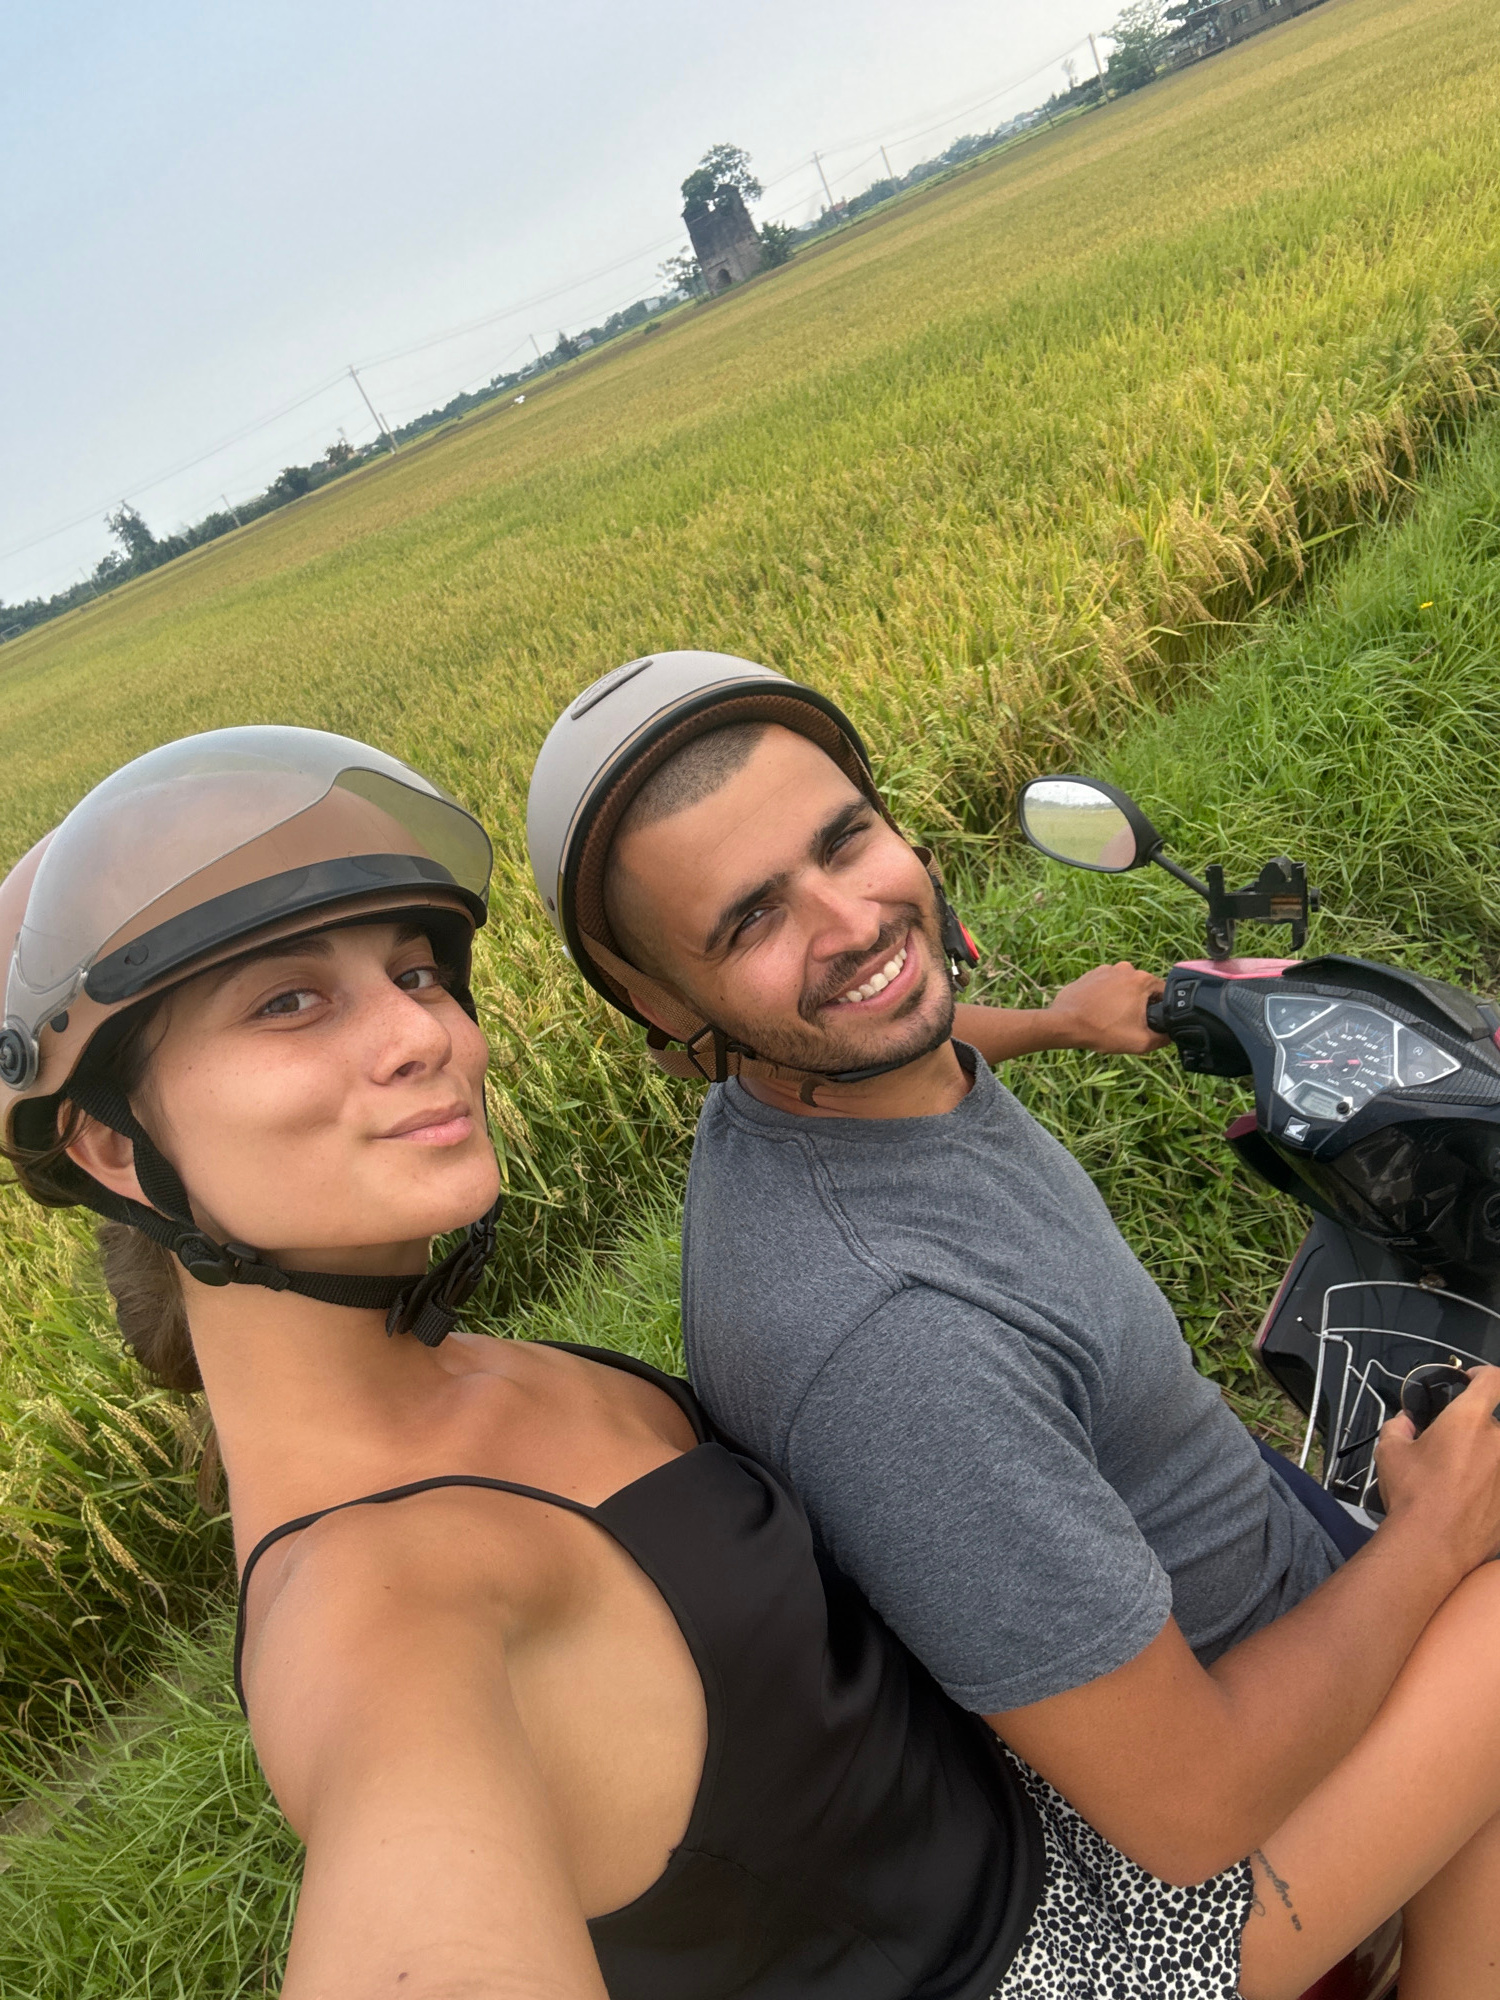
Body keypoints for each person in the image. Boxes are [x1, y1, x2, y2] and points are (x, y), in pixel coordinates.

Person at [1, 723, 1058, 2000]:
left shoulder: (465, 1367)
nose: (424, 1034)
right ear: (115, 1147)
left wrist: (1062, 1021)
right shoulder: (373, 1612)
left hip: (1038, 1799)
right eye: (289, 1000)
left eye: (415, 973)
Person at [528, 649, 1500, 1995]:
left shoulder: (802, 1080)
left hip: (1249, 1584)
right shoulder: (893, 1341)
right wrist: (1439, 1537)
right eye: (751, 919)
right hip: (1251, 1761)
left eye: (845, 840)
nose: (855, 922)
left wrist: (1056, 1021)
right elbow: (1192, 1807)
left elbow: (897, 1012)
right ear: (663, 1003)